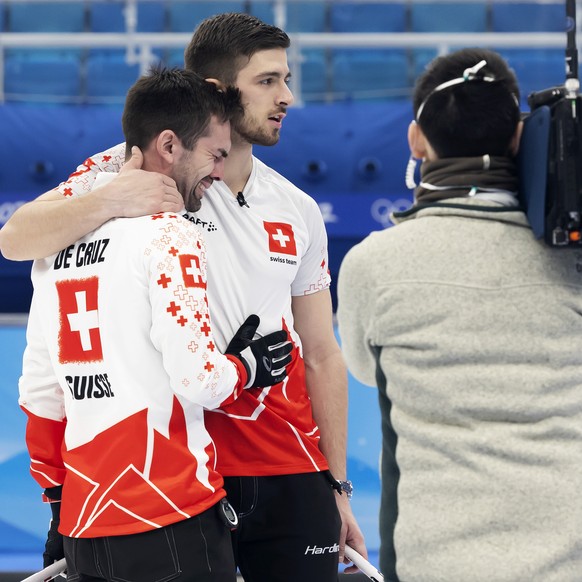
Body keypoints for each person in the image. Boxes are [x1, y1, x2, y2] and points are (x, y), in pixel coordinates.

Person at [0, 12, 366, 580]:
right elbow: (16, 237)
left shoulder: (295, 205)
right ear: (217, 92)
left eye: (287, 79)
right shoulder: (131, 168)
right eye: (267, 81)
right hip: (187, 470)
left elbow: (321, 352)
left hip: (288, 463)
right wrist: (112, 198)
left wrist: (338, 485)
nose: (286, 96)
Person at [18, 66, 293, 581]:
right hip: (170, 513)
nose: (217, 175)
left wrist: (59, 499)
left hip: (84, 524)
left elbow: (39, 391)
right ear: (168, 145)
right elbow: (201, 381)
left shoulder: (57, 239)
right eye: (214, 155)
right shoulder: (171, 235)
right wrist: (247, 366)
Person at [336, 46, 582, 582]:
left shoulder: (371, 265)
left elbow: (362, 369)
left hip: (433, 561)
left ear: (416, 141)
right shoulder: (574, 263)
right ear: (519, 137)